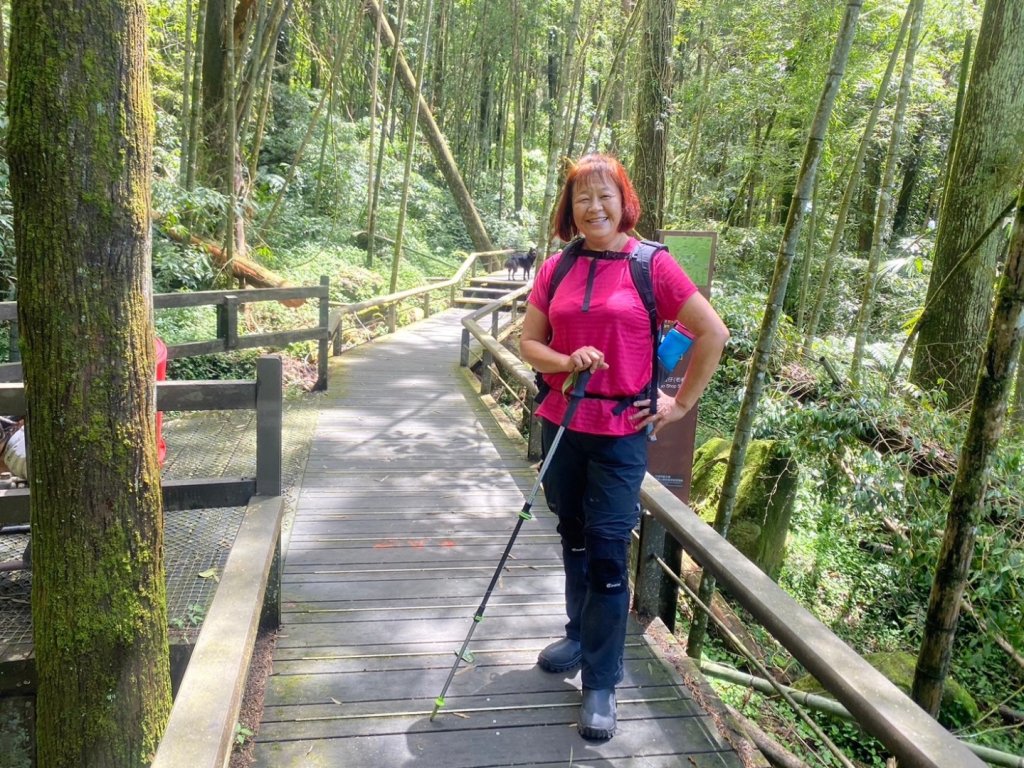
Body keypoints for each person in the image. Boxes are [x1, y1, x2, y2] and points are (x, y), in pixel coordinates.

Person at [520, 153, 729, 740]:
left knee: (610, 556)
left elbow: (712, 332)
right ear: (570, 209)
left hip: (618, 437)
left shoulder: (651, 266)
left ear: (624, 201)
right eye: (582, 197)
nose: (594, 207)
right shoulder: (557, 268)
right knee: (573, 536)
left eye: (604, 195)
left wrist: (678, 403)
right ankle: (579, 635)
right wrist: (566, 362)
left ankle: (602, 682)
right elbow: (529, 343)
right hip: (563, 423)